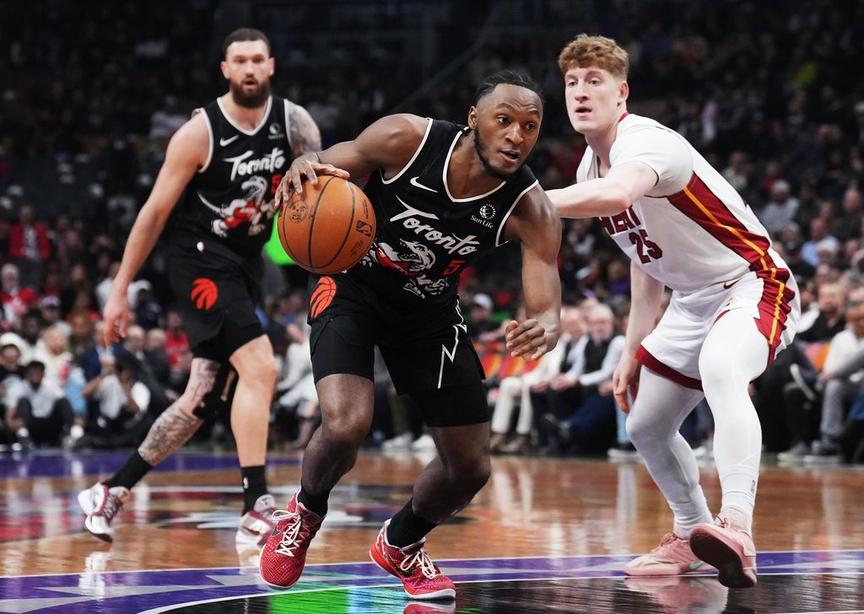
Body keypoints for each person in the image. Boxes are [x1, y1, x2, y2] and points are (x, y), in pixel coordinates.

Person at [258, 70, 562, 600]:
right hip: (352, 284)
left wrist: (547, 324)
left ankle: (401, 542)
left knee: (470, 467)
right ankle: (304, 513)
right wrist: (306, 163)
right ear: (474, 119)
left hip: (429, 311)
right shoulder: (408, 138)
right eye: (504, 120)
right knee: (347, 424)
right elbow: (331, 161)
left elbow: (546, 299)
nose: (516, 136)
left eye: (529, 127)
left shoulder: (530, 207)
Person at [547, 35, 800, 588]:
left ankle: (737, 525)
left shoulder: (649, 143)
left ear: (622, 93)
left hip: (751, 282)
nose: (581, 93)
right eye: (572, 83)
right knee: (645, 424)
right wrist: (634, 347)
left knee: (722, 369)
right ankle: (691, 531)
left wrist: (518, 201)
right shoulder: (589, 170)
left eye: (594, 81)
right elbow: (644, 261)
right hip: (689, 301)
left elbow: (619, 196)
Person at [77, 28, 323, 545]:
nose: (250, 68)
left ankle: (111, 490)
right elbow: (154, 213)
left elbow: (317, 179)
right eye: (240, 60)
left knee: (201, 398)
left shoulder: (295, 122)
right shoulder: (199, 133)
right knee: (262, 366)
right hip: (198, 259)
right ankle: (256, 506)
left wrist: (309, 166)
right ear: (226, 69)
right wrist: (119, 290)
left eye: (258, 59)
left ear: (271, 66)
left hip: (246, 263)